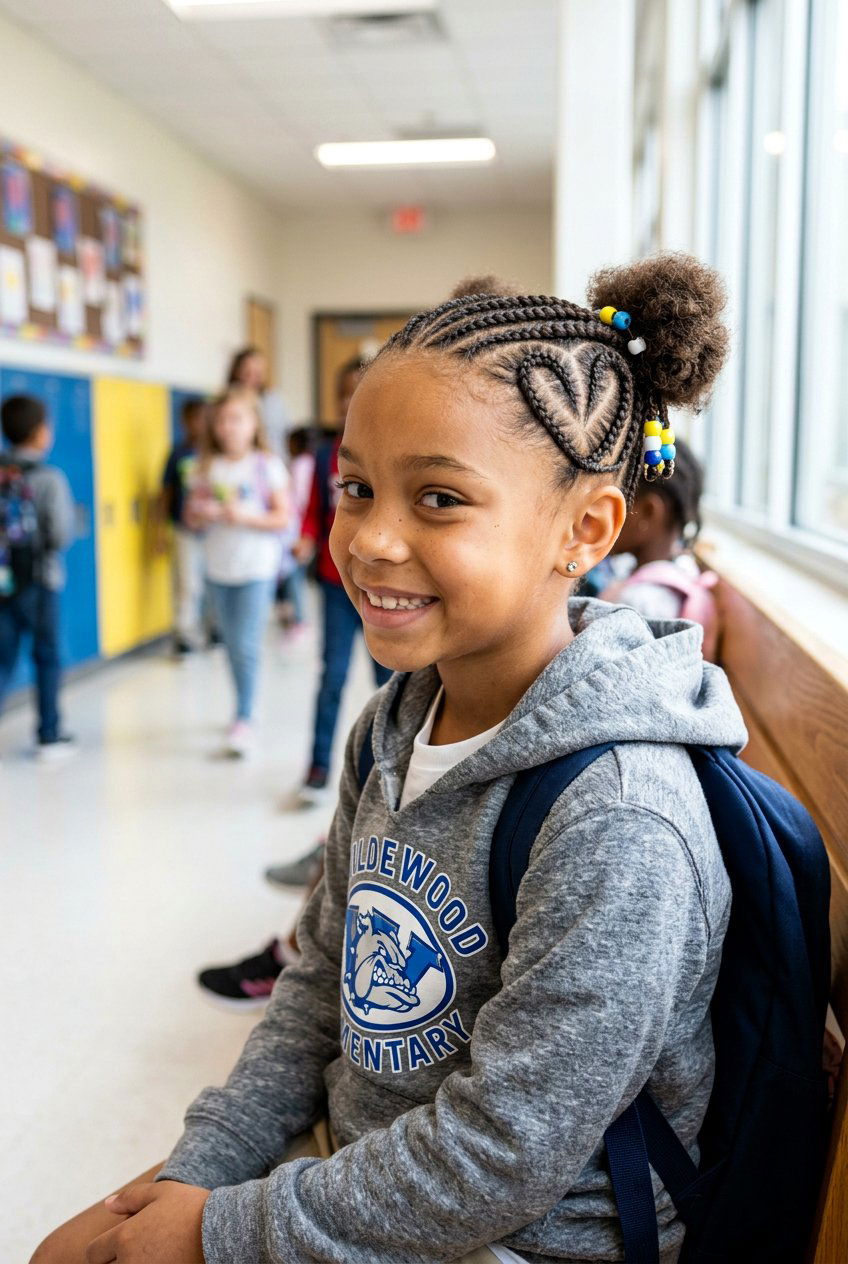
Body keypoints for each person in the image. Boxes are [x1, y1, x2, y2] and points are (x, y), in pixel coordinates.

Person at [33, 252, 749, 1264]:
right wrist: (207, 1163)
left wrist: (223, 1231)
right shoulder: (394, 720)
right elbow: (320, 976)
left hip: (530, 1237)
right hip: (368, 1170)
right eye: (356, 487)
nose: (367, 539)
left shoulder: (618, 816)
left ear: (583, 529)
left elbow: (500, 1155)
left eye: (439, 499)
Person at [294, 357, 392, 804]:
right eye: (345, 394)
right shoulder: (322, 456)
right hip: (336, 585)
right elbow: (313, 514)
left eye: (362, 392)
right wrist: (305, 540)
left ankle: (391, 767)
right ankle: (317, 764)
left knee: (391, 684)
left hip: (385, 590)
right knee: (331, 676)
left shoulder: (391, 454)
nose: (351, 402)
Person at [184, 387, 289, 757]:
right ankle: (244, 705)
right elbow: (191, 518)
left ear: (253, 423)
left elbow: (282, 516)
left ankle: (244, 715)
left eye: (237, 419)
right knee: (230, 645)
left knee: (245, 645)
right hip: (217, 566)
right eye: (222, 420)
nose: (228, 428)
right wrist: (202, 513)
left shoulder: (266, 465)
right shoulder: (206, 467)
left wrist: (243, 516)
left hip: (255, 567)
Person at [0, 394, 75, 760]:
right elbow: (60, 534)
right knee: (46, 656)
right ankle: (49, 734)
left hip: (3, 582)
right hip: (41, 582)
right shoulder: (49, 478)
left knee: (3, 659)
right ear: (39, 433)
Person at [598, 437, 720, 661]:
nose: (599, 515)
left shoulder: (641, 603)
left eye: (614, 499)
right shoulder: (683, 567)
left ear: (647, 512)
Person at [159, 397, 210, 657]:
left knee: (211, 583)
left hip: (214, 530)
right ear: (184, 422)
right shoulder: (178, 453)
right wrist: (159, 531)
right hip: (184, 529)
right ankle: (184, 635)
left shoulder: (215, 453)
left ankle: (214, 630)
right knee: (187, 584)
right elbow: (166, 492)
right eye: (194, 418)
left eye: (204, 418)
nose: (199, 424)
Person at [275, 426, 314, 641]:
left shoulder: (300, 465)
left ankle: (299, 620)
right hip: (299, 529)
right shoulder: (308, 464)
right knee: (295, 576)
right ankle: (295, 617)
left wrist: (299, 534)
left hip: (297, 531)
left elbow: (299, 501)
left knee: (294, 576)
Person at [226, 345, 291, 459]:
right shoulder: (227, 403)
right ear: (236, 372)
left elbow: (286, 436)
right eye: (247, 372)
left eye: (257, 372)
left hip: (272, 462)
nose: (252, 377)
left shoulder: (274, 401)